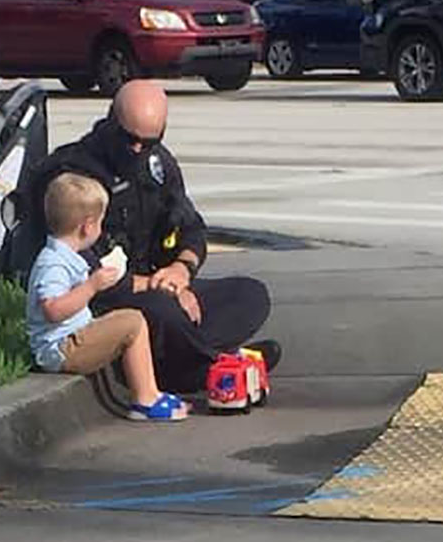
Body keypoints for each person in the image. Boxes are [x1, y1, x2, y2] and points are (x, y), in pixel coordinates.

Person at [36, 80, 278, 393]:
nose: (138, 149)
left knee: (249, 295)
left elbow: (191, 228)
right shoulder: (75, 176)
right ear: (112, 121)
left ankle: (187, 364)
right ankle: (212, 367)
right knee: (164, 312)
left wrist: (181, 271)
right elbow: (85, 271)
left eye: (148, 142)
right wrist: (158, 288)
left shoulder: (158, 163)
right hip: (108, 297)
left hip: (164, 283)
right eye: (130, 140)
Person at [27, 172, 189, 421]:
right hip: (61, 349)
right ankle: (145, 399)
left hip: (69, 339)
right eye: (100, 223)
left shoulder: (66, 256)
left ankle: (151, 391)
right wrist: (92, 286)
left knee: (128, 318)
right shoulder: (54, 263)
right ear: (87, 226)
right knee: (133, 322)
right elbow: (53, 309)